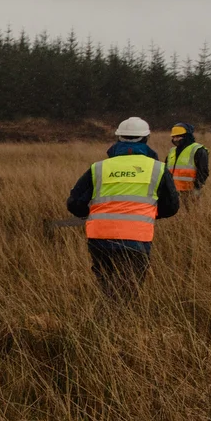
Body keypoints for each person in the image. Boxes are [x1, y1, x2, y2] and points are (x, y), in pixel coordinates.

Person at [65, 117, 178, 298]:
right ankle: (115, 322)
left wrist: (95, 214)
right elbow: (172, 207)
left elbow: (74, 203)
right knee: (127, 292)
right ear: (146, 138)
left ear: (118, 138)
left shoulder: (99, 167)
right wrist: (149, 213)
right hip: (136, 236)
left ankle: (104, 320)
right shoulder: (158, 168)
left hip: (99, 236)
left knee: (107, 287)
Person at [165, 122, 209, 205]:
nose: (175, 139)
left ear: (187, 136)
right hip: (173, 191)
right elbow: (165, 170)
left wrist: (196, 189)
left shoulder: (198, 150)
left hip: (190, 192)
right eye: (173, 137)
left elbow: (203, 172)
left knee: (191, 214)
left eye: (178, 136)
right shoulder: (172, 151)